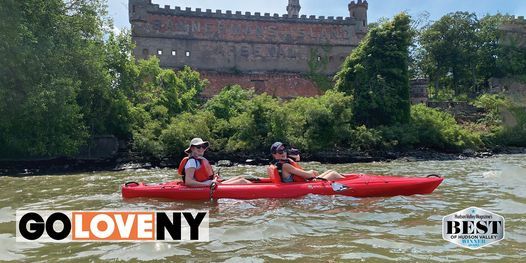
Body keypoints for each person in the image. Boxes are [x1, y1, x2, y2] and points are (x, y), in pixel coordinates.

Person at [178, 138, 252, 187]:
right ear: (192, 148)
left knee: (240, 178)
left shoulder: (198, 160)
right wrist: (207, 184)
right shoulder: (192, 162)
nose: (201, 149)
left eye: (203, 147)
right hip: (207, 187)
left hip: (211, 184)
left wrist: (213, 179)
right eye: (198, 147)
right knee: (242, 181)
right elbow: (188, 182)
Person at [270, 142, 345, 182]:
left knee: (330, 171)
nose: (283, 153)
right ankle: (351, 183)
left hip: (305, 182)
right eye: (280, 151)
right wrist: (311, 172)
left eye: (284, 150)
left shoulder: (278, 164)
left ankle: (346, 181)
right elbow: (308, 175)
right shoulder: (285, 166)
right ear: (274, 154)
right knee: (333, 174)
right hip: (307, 184)